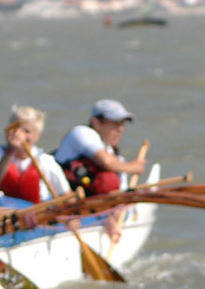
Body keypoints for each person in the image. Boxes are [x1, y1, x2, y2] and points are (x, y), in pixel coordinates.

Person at [54, 99, 151, 243]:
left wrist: (118, 212)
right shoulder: (81, 133)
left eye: (122, 124)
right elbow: (106, 161)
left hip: (89, 210)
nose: (121, 129)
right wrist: (134, 167)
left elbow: (120, 195)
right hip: (60, 202)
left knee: (114, 190)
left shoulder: (118, 158)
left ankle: (106, 221)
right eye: (115, 123)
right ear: (96, 123)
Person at [0, 106, 71, 206]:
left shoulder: (45, 161)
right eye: (16, 129)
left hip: (36, 213)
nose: (19, 135)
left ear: (37, 136)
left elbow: (65, 194)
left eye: (26, 131)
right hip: (4, 211)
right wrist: (11, 151)